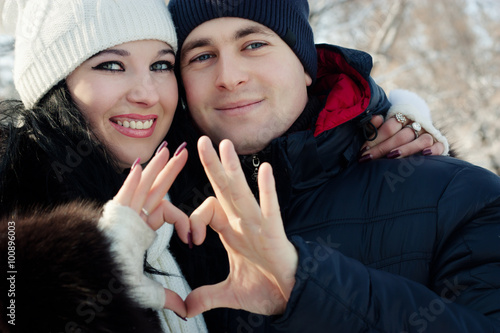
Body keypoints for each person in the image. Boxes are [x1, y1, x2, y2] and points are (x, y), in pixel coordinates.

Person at [165, 0, 500, 332]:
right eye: (202, 56)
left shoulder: (461, 198)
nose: (229, 77)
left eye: (254, 44)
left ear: (306, 66)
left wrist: (306, 288)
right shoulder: (160, 217)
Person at [0, 0, 207, 331]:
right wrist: (90, 273)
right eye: (111, 65)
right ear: (52, 85)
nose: (148, 94)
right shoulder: (12, 217)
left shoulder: (196, 208)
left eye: (161, 65)